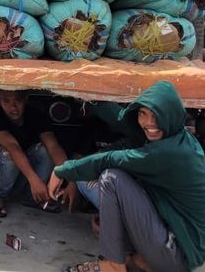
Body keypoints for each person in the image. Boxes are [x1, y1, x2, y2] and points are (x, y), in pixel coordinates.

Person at [49, 81, 205, 272]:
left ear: (171, 115)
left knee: (111, 179)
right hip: (171, 237)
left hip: (179, 255)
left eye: (156, 115)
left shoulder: (170, 152)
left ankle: (113, 265)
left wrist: (62, 170)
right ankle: (138, 261)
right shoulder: (174, 135)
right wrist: (88, 97)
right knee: (102, 183)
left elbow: (110, 159)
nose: (149, 123)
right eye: (143, 113)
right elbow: (121, 120)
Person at [0, 90, 77, 218]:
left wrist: (71, 180)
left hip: (19, 173)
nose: (13, 107)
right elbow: (13, 147)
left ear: (25, 100)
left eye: (17, 101)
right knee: (9, 153)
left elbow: (53, 147)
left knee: (44, 150)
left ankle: (32, 197)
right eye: (6, 101)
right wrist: (34, 180)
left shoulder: (35, 115)